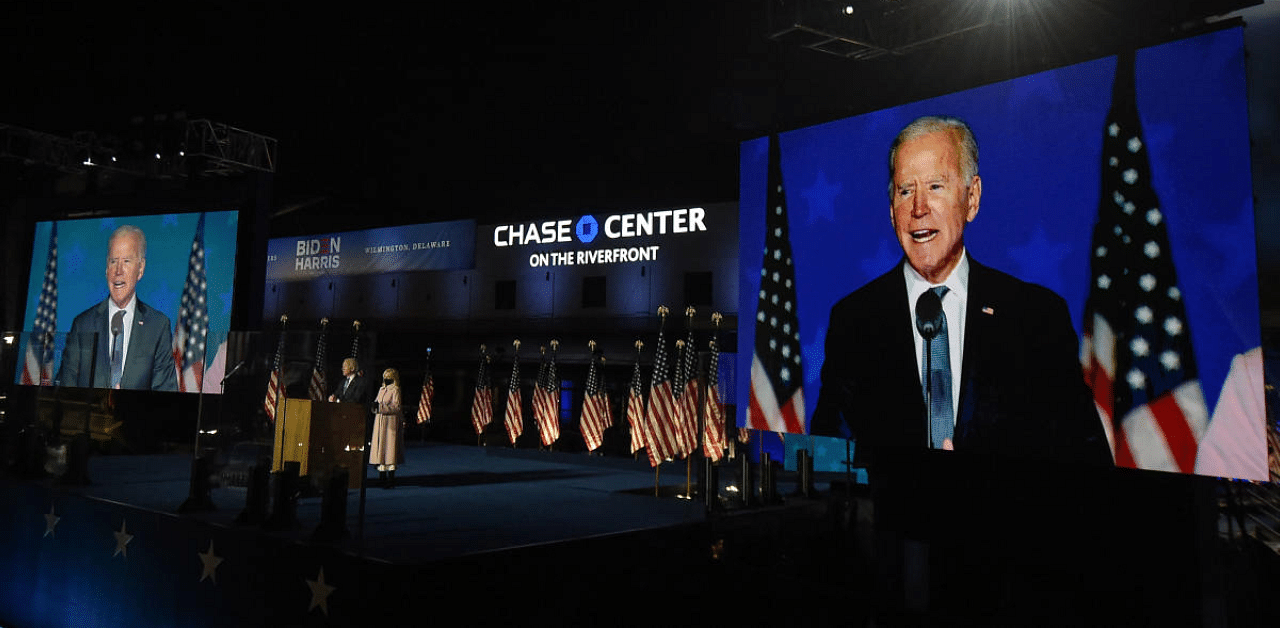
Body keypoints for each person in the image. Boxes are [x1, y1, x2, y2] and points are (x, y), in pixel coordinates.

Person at [810, 115, 1111, 466]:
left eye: (936, 186)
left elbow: (1086, 461)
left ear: (972, 198)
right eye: (906, 190)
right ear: (892, 212)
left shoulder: (1036, 316)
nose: (919, 208)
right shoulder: (854, 320)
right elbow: (827, 459)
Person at [57, 225, 178, 391]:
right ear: (107, 269)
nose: (118, 271)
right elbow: (66, 388)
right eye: (113, 261)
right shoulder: (82, 324)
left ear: (140, 269)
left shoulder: (158, 326)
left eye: (126, 261)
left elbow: (166, 393)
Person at [370, 368, 404, 488]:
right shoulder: (381, 389)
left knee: (389, 450)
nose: (386, 379)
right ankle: (381, 477)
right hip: (379, 422)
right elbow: (376, 402)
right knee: (381, 449)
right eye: (385, 376)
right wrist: (374, 407)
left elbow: (397, 407)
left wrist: (382, 408)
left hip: (390, 422)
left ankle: (391, 479)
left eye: (389, 376)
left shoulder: (395, 390)